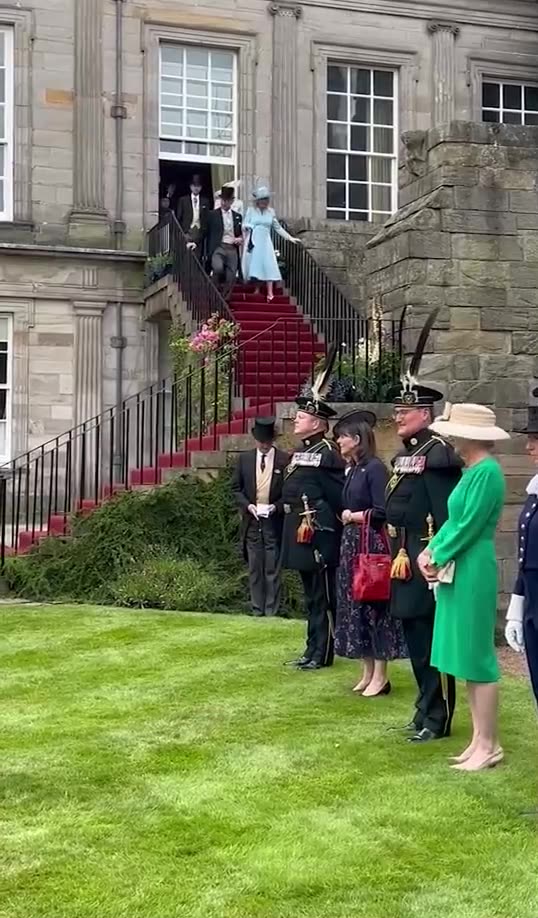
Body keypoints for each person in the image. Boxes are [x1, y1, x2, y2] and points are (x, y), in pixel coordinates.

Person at [418, 403, 508, 772]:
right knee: (466, 658)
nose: (451, 439)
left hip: (473, 566)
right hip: (460, 562)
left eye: (455, 433)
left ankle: (489, 744)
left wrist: (438, 555)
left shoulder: (487, 472)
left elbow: (469, 525)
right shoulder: (473, 471)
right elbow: (453, 521)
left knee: (477, 657)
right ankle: (479, 739)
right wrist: (430, 550)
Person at [385, 371, 462, 743]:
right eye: (397, 410)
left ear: (426, 414)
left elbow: (448, 516)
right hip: (403, 555)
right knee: (415, 639)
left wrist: (440, 559)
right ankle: (423, 708)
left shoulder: (437, 455)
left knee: (433, 640)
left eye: (405, 411)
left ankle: (439, 715)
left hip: (426, 556)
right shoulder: (408, 454)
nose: (398, 417)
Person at [334, 410, 407, 696]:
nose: (338, 441)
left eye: (342, 437)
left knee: (373, 607)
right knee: (356, 607)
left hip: (369, 545)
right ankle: (366, 671)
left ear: (356, 439)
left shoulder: (375, 468)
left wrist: (353, 516)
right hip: (351, 544)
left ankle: (381, 675)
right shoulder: (353, 468)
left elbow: (382, 510)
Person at [279, 367, 345, 670]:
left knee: (323, 595)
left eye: (302, 416)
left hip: (319, 533)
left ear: (317, 423)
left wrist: (328, 532)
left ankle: (323, 652)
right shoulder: (302, 451)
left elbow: (336, 496)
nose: (296, 419)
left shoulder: (327, 452)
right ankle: (311, 648)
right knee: (311, 595)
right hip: (299, 530)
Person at [505, 405, 538, 802]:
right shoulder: (534, 491)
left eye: (535, 440)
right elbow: (526, 554)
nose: (529, 447)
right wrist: (516, 605)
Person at [231, 418, 289, 617]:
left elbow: (290, 493)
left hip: (273, 521)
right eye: (261, 441)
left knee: (272, 567)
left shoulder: (284, 460)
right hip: (252, 521)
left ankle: (271, 610)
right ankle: (257, 609)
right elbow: (235, 489)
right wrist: (248, 506)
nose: (264, 445)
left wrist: (275, 507)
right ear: (255, 439)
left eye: (268, 441)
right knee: (255, 567)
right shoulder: (245, 459)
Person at [242, 185, 300, 302]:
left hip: (266, 241)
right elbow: (244, 224)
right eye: (262, 199)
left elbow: (278, 227)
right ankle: (257, 288)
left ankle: (270, 292)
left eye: (266, 199)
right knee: (257, 264)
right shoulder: (251, 211)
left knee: (269, 264)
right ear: (258, 201)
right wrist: (250, 226)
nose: (265, 202)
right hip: (254, 239)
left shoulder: (271, 212)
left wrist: (289, 237)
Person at [205, 186, 243, 299]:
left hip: (232, 248)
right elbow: (204, 231)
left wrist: (240, 238)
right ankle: (214, 294)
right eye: (222, 200)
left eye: (226, 200)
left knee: (231, 275)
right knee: (217, 268)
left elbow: (241, 233)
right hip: (218, 247)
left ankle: (224, 299)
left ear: (231, 201)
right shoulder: (212, 215)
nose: (223, 203)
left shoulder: (237, 216)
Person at [176, 173, 211, 247]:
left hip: (199, 233)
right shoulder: (183, 200)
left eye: (198, 186)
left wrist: (203, 232)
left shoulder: (205, 201)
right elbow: (179, 217)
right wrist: (182, 232)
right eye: (194, 186)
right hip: (186, 231)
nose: (196, 188)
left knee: (197, 251)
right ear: (190, 187)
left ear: (201, 187)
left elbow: (207, 218)